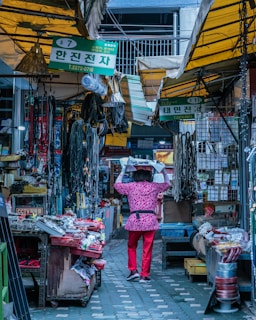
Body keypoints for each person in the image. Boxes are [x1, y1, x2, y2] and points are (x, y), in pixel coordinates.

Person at [114, 166, 170, 283]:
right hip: (150, 220)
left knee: (131, 246)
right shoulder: (154, 186)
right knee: (147, 248)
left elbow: (117, 185)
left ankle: (133, 271)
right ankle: (144, 275)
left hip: (135, 219)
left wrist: (123, 170)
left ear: (135, 176)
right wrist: (163, 170)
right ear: (149, 177)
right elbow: (167, 184)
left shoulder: (130, 186)